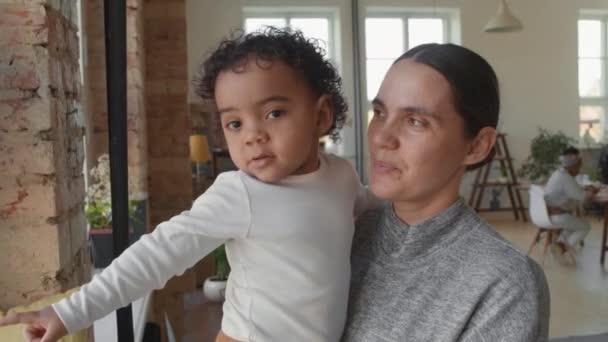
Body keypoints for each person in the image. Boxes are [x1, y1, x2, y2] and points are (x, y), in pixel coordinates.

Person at [0, 28, 377, 342]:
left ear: (322, 115)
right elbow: (155, 254)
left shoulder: (341, 176)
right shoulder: (240, 193)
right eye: (234, 123)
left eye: (274, 113)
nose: (252, 135)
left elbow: (376, 219)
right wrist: (68, 313)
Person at [340, 43, 550, 341]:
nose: (382, 138)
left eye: (415, 121)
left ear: (476, 145)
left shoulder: (505, 282)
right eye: (380, 112)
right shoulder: (343, 230)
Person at [544, 147, 598, 254]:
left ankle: (559, 245)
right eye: (578, 167)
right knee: (585, 227)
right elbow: (582, 197)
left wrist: (585, 190)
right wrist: (592, 191)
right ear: (572, 165)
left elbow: (572, 191)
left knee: (573, 225)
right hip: (557, 216)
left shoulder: (558, 173)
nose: (579, 170)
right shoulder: (566, 177)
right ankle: (562, 248)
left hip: (547, 215)